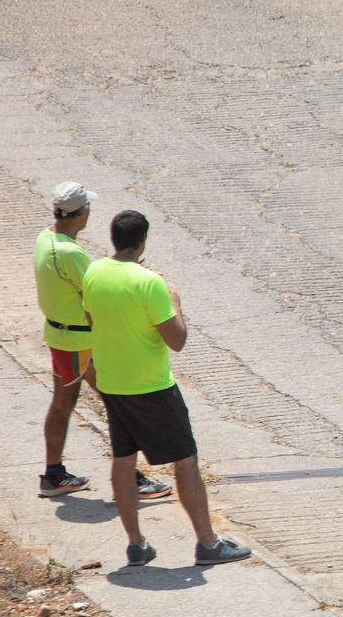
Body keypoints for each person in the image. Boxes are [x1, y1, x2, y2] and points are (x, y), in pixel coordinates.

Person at [80, 209, 251, 568]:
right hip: (152, 387)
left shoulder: (94, 272)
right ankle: (208, 543)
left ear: (113, 239)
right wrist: (173, 300)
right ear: (143, 241)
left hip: (112, 383)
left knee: (123, 461)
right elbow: (177, 340)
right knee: (185, 460)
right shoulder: (151, 284)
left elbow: (92, 320)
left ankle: (136, 544)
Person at [34, 183, 173, 503]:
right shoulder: (70, 252)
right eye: (88, 209)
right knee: (120, 405)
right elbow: (99, 290)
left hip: (60, 336)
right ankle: (131, 478)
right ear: (81, 213)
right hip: (81, 343)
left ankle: (54, 474)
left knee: (63, 403)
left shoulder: (46, 238)